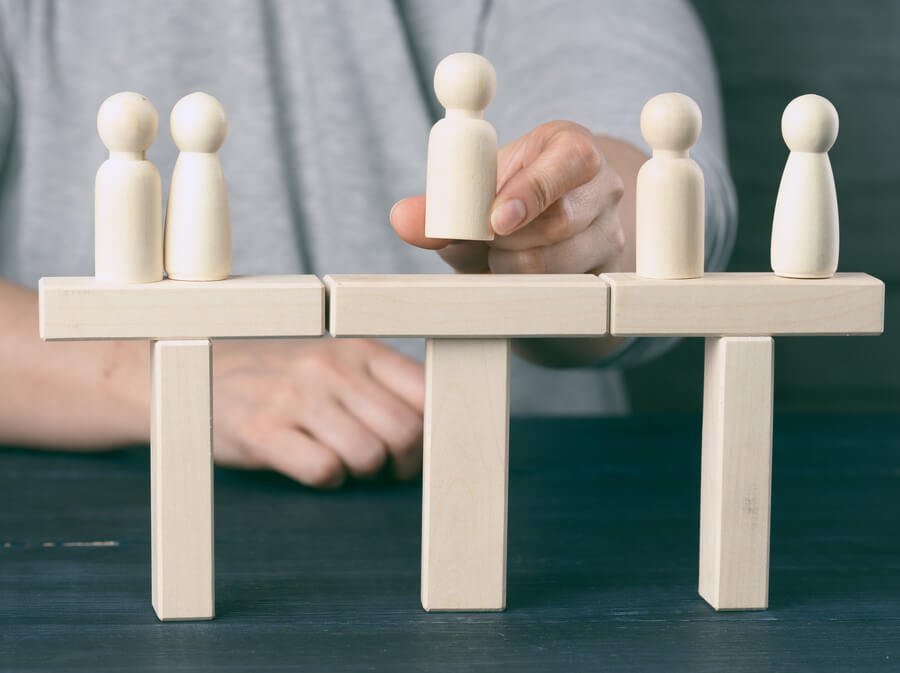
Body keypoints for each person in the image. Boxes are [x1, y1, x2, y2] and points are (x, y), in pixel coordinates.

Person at [0, 0, 736, 487]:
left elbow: (639, 157)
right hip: (89, 501)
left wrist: (583, 230)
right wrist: (166, 376)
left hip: (537, 487)